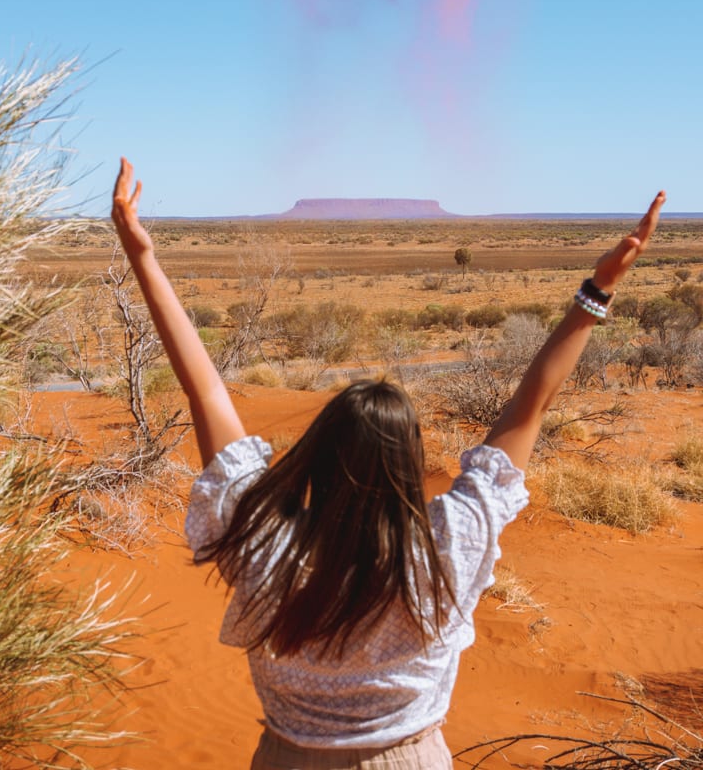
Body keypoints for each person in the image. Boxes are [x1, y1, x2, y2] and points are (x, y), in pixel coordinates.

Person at [111, 159, 665, 770]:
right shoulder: (445, 548)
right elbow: (529, 409)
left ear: (316, 455)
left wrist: (144, 257)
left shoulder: (265, 544)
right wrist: (597, 291)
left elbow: (207, 394)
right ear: (408, 467)